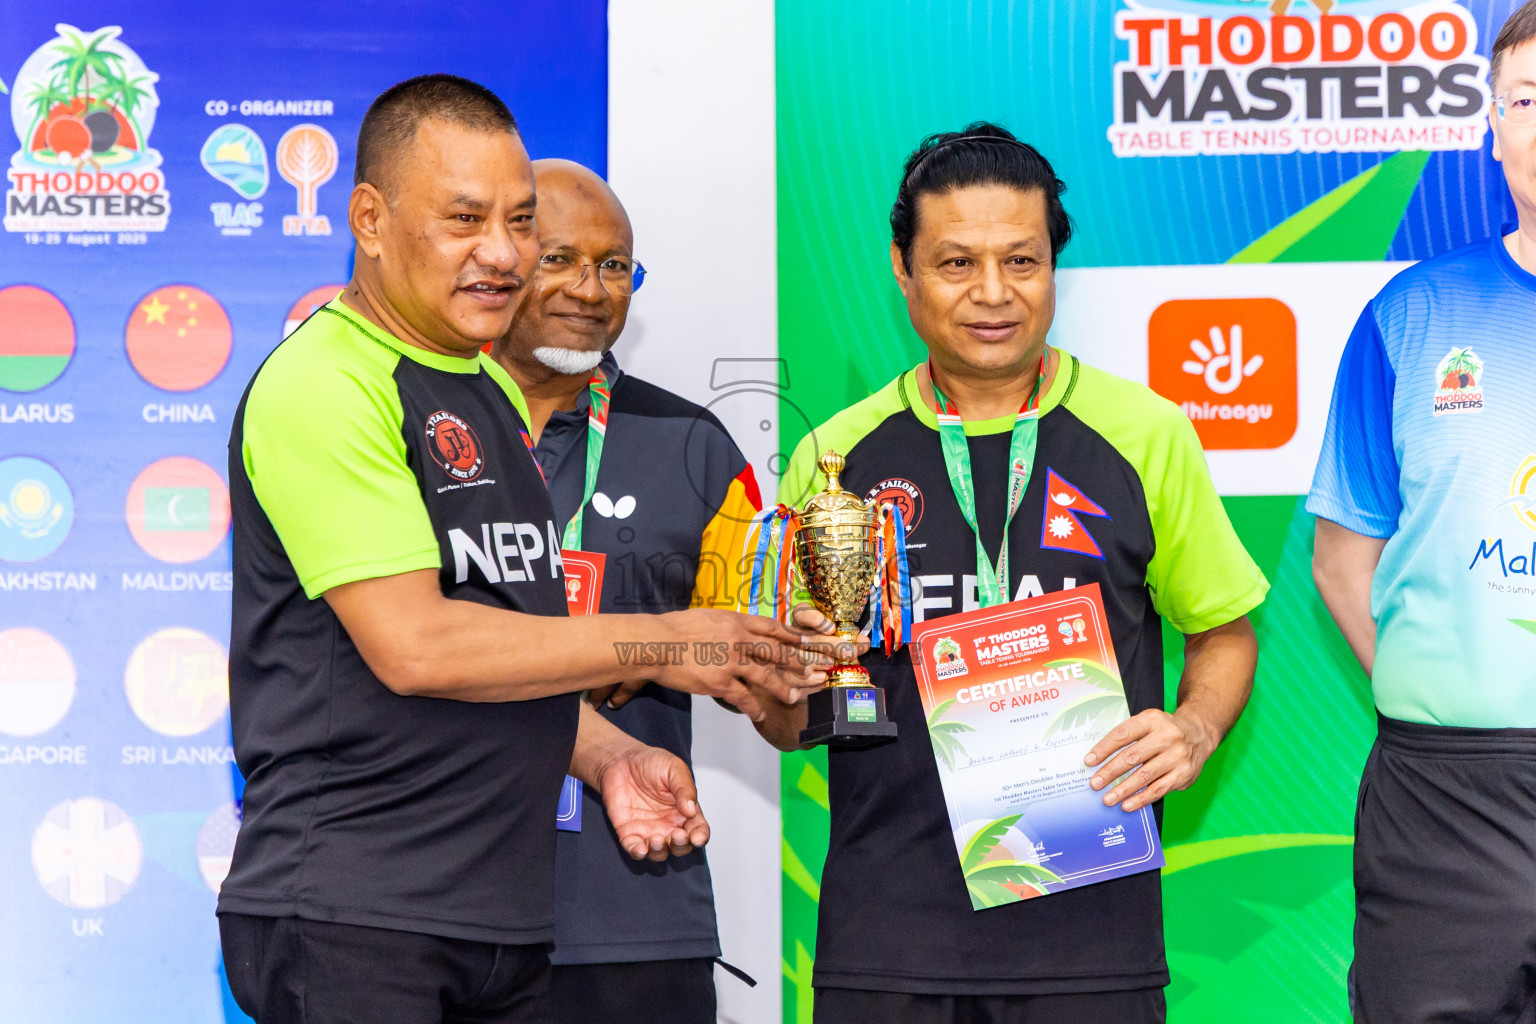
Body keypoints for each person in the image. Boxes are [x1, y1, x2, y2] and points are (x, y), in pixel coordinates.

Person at [216, 75, 829, 1024]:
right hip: (359, 914)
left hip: (497, 922)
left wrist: (604, 754)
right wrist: (667, 641)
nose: (499, 254)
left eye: (514, 221)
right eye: (466, 220)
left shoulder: (486, 393)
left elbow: (499, 645)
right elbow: (417, 648)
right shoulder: (326, 383)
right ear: (369, 220)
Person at [750, 123, 1267, 1024]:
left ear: (1054, 267)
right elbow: (797, 717)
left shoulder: (1144, 434)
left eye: (1022, 261)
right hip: (889, 942)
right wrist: (764, 686)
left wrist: (1193, 729)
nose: (993, 294)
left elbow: (1222, 627)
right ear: (903, 271)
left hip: (1091, 941)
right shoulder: (834, 458)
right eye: (955, 264)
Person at [489, 159, 762, 1024]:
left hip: (634, 917)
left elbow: (757, 657)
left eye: (616, 267)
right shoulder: (418, 427)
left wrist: (804, 663)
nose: (592, 289)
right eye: (562, 258)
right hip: (444, 907)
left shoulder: (695, 444)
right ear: (502, 258)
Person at [1309, 6, 1536, 1020]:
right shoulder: (1411, 316)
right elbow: (1342, 560)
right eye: (1528, 101)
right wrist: (1437, 689)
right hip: (1443, 798)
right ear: (1493, 128)